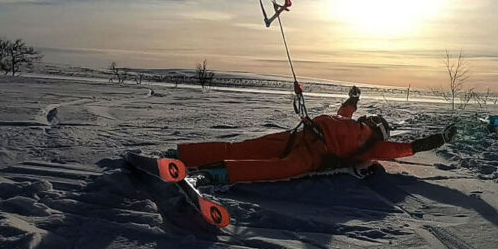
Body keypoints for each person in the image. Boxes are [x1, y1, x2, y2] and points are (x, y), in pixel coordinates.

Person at [171, 86, 457, 185]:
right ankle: (182, 155)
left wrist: (439, 139)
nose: (371, 120)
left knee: (274, 168)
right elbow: (347, 109)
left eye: (375, 121)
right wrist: (354, 97)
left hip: (312, 155)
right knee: (244, 147)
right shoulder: (349, 121)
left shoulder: (372, 147)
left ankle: (215, 174)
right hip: (300, 135)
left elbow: (404, 148)